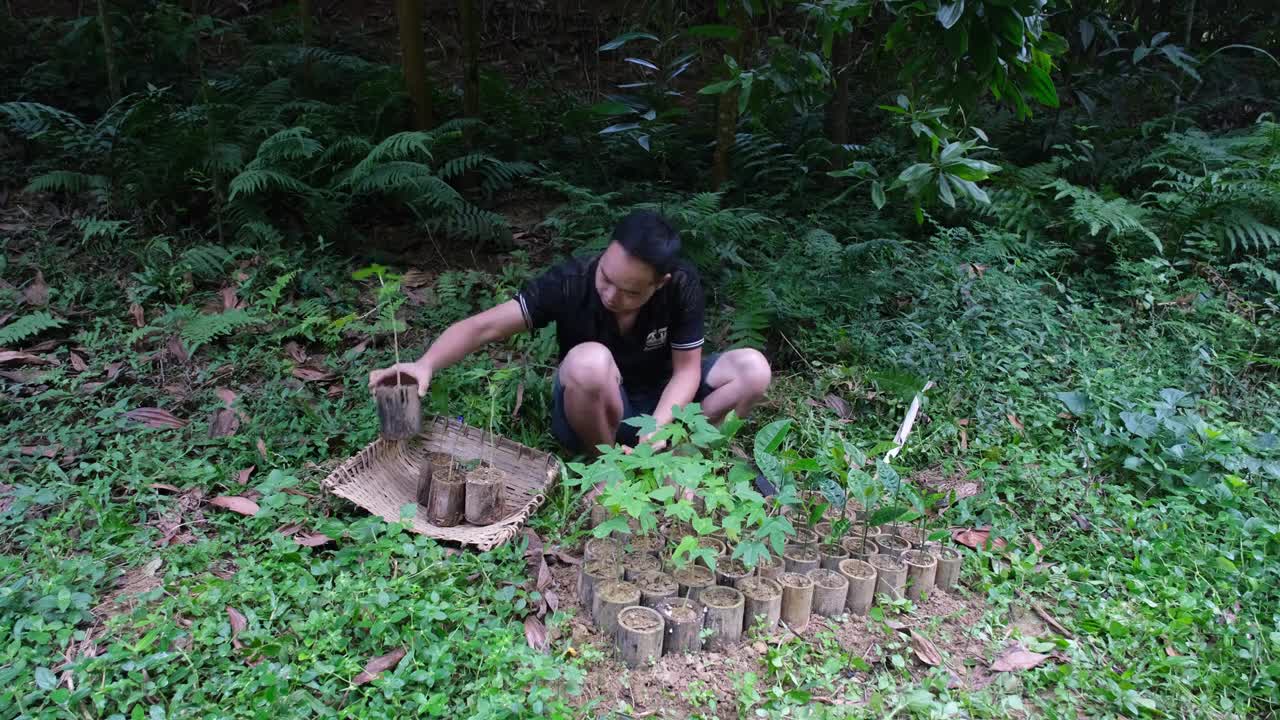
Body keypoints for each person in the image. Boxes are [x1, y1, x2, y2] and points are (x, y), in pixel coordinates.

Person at [367, 209, 772, 456]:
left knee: (754, 369)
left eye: (630, 292)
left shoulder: (681, 286)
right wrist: (425, 364)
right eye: (606, 279)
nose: (612, 295)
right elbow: (484, 326)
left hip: (664, 406)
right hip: (594, 411)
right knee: (588, 360)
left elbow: (686, 372)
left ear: (659, 284)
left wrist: (660, 429)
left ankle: (683, 456)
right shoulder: (569, 281)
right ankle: (608, 466)